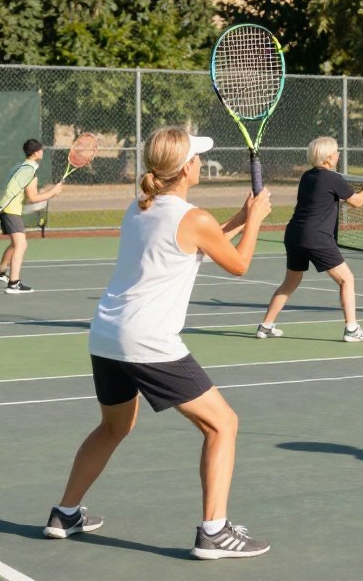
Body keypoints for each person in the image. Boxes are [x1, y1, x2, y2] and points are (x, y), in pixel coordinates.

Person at [45, 127, 274, 560]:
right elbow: (239, 264)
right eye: (198, 157)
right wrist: (258, 219)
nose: (201, 163)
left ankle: (65, 513)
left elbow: (190, 243)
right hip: (148, 340)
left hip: (107, 334)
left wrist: (241, 219)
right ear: (186, 167)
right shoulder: (194, 218)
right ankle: (214, 531)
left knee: (113, 426)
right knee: (222, 424)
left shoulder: (139, 207)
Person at [258, 136, 363, 342]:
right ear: (327, 157)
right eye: (336, 151)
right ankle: (351, 329)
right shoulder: (332, 178)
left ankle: (266, 326)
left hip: (294, 234)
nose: (339, 154)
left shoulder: (307, 177)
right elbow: (357, 202)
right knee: (346, 279)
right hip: (316, 237)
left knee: (290, 283)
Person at [0, 138, 64, 293]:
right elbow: (33, 197)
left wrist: (47, 192)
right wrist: (52, 192)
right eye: (41, 150)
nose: (42, 152)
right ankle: (13, 283)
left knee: (15, 243)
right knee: (21, 244)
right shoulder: (31, 171)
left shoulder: (20, 167)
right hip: (10, 209)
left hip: (5, 207)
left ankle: (0, 272)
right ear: (37, 152)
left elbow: (22, 190)